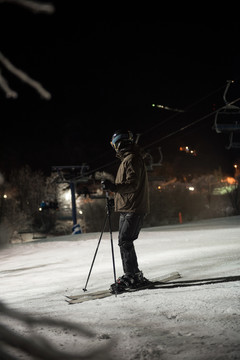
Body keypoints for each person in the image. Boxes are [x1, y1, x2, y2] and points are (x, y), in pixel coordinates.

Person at [102, 129, 150, 292]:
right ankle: (133, 274)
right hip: (127, 207)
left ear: (119, 144)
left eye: (114, 145)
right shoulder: (128, 160)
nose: (114, 148)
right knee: (124, 241)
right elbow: (126, 188)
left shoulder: (132, 160)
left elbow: (133, 184)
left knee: (125, 241)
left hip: (134, 208)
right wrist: (112, 196)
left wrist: (114, 187)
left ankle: (131, 275)